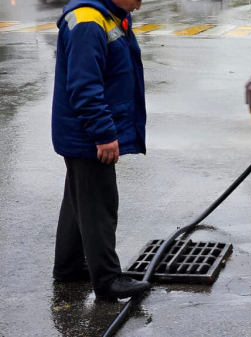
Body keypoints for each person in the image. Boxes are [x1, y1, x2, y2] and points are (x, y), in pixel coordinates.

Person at [51, 0, 150, 299]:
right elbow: (84, 86)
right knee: (100, 205)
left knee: (78, 200)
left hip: (84, 133)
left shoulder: (109, 15)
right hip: (88, 135)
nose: (140, 3)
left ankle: (68, 268)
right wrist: (104, 134)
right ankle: (107, 280)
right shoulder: (88, 21)